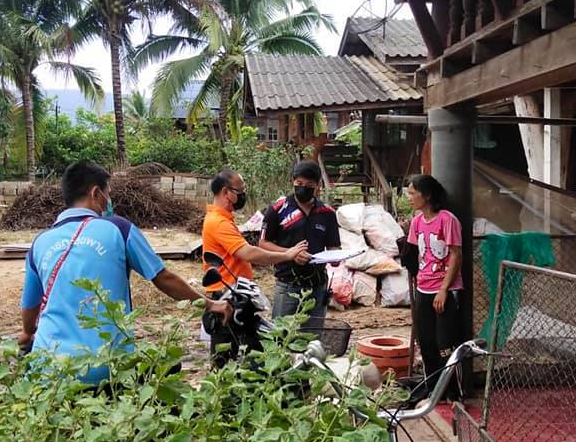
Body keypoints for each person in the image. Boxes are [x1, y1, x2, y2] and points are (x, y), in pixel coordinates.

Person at [18, 162, 230, 386]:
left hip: (48, 369)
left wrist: (28, 333)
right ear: (96, 193)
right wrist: (210, 304)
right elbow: (163, 278)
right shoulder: (119, 229)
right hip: (107, 367)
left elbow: (29, 310)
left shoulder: (40, 243)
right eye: (108, 194)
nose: (109, 202)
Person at [202, 169, 309, 365]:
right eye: (240, 191)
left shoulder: (224, 219)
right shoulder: (218, 222)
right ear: (226, 193)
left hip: (239, 295)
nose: (243, 194)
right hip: (226, 298)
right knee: (226, 360)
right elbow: (248, 253)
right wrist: (286, 255)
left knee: (248, 354)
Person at [259, 160, 340, 319]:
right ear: (293, 182)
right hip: (288, 283)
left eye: (309, 184)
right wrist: (290, 253)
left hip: (318, 285)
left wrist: (336, 258)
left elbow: (334, 246)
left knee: (312, 338)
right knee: (281, 336)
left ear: (317, 186)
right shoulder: (278, 209)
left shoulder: (327, 213)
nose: (303, 187)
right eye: (299, 183)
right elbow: (263, 243)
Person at [405, 175, 464, 396]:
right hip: (423, 288)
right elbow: (413, 252)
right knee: (426, 342)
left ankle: (452, 393)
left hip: (445, 290)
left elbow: (456, 256)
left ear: (427, 195)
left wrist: (444, 290)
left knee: (445, 344)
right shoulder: (417, 222)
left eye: (413, 193)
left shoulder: (447, 220)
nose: (409, 198)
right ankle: (433, 390)